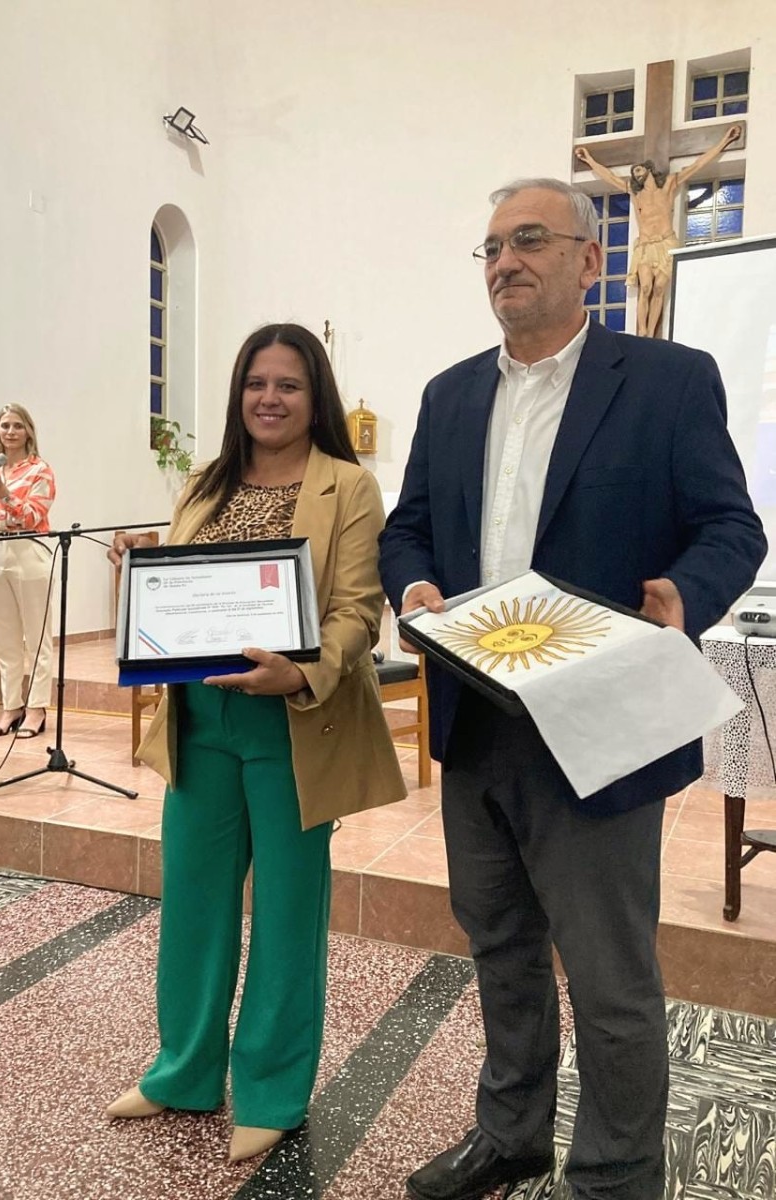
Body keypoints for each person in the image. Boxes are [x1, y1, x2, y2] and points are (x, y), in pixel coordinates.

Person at [379, 179, 765, 1200]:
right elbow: (407, 525)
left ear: (590, 261)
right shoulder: (450, 393)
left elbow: (733, 527)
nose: (506, 260)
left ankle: (614, 1176)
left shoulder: (671, 381)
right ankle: (510, 1135)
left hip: (604, 723)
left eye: (531, 240)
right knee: (501, 947)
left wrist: (683, 595)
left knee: (610, 979)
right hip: (477, 717)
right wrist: (414, 585)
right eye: (492, 245)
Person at [105, 323, 406, 1161]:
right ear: (239, 394)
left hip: (294, 723)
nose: (269, 399)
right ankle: (183, 1071)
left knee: (285, 915)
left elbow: (356, 610)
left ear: (317, 400)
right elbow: (179, 596)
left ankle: (271, 1090)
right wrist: (145, 596)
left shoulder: (348, 487)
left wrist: (302, 673)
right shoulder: (205, 483)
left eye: (289, 386)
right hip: (199, 722)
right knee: (193, 905)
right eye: (256, 384)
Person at [575, 123, 741, 337]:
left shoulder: (669, 185)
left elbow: (698, 164)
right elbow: (609, 177)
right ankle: (642, 331)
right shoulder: (635, 194)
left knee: (660, 287)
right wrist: (589, 160)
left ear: (648, 168)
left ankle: (653, 334)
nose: (636, 174)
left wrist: (725, 141)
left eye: (638, 169)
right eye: (634, 172)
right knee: (645, 288)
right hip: (645, 246)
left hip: (665, 243)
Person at [0, 404, 55, 738]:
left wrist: (3, 492)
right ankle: (11, 706)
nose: (10, 432)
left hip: (29, 551)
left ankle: (36, 708)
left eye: (17, 426)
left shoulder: (41, 470)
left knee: (36, 636)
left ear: (28, 431)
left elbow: (32, 516)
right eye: (4, 426)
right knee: (5, 638)